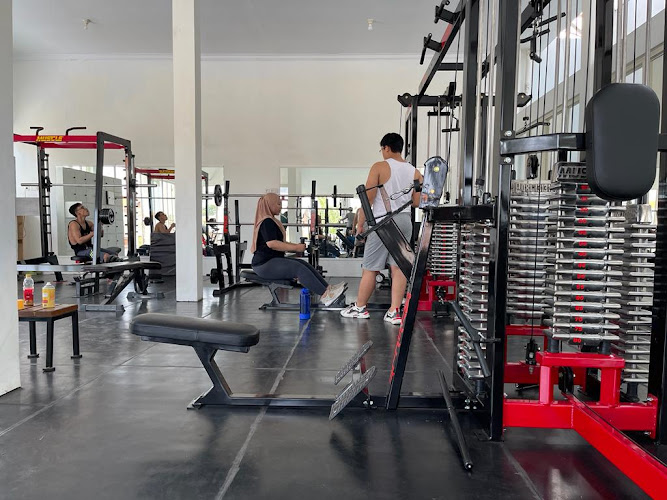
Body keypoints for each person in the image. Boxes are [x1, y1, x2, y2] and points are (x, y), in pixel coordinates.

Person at [341, 133, 423, 325]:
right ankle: (394, 311)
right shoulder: (415, 172)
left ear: (386, 148)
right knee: (398, 266)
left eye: (382, 149)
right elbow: (417, 203)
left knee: (370, 267)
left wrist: (360, 225)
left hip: (383, 223)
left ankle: (360, 307)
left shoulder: (379, 167)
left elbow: (367, 200)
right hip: (405, 220)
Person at [251, 192, 347, 306]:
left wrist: (296, 247)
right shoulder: (267, 221)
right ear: (269, 205)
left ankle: (328, 288)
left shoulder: (271, 221)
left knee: (302, 263)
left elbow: (281, 243)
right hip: (264, 265)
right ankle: (326, 296)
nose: (281, 207)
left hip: (271, 261)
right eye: (278, 204)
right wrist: (296, 247)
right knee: (298, 268)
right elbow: (272, 244)